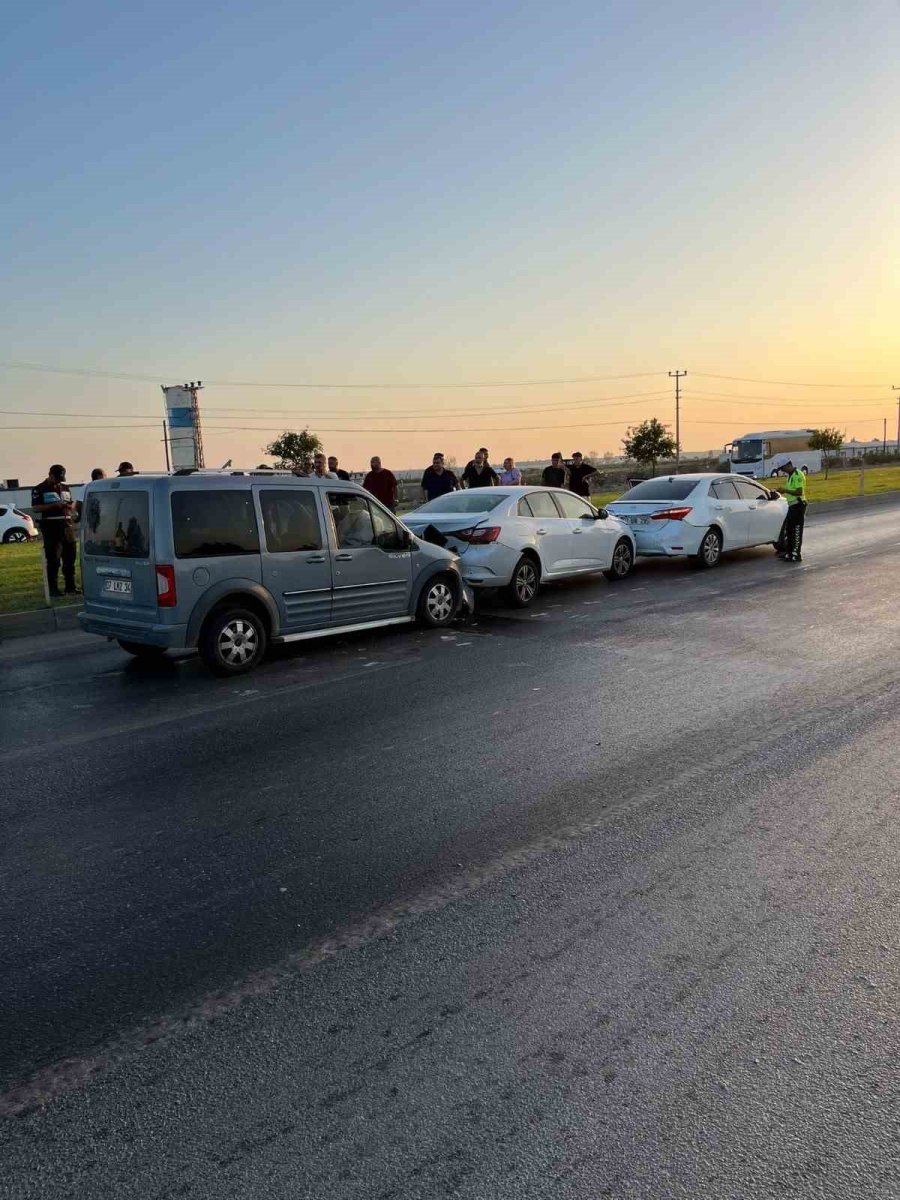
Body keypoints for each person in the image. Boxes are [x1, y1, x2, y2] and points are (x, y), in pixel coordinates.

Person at [31, 464, 79, 597]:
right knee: (54, 560)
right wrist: (54, 505)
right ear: (50, 474)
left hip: (67, 526)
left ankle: (71, 587)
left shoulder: (65, 487)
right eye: (57, 478)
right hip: (52, 526)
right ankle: (53, 589)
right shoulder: (39, 489)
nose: (59, 481)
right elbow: (36, 507)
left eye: (61, 479)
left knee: (70, 559)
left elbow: (71, 503)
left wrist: (70, 506)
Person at [779, 460, 808, 562]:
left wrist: (785, 490)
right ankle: (789, 552)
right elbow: (790, 490)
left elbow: (799, 492)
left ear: (788, 465)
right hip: (791, 505)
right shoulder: (790, 475)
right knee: (789, 529)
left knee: (796, 530)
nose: (783, 471)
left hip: (798, 505)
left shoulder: (797, 474)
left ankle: (796, 554)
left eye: (783, 468)